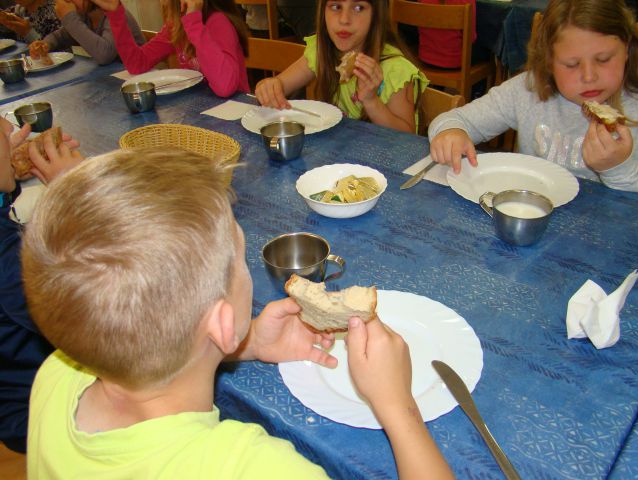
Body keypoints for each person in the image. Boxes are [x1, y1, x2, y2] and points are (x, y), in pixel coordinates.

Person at [22, 147, 454, 479]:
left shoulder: (55, 377)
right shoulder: (255, 468)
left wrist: (245, 343)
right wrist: (398, 407)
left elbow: (147, 348)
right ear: (222, 324)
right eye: (241, 261)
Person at [428, 0, 638, 192]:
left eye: (603, 59)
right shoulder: (527, 91)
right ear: (548, 60)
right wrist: (451, 133)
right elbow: (454, 120)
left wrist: (618, 168)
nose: (589, 76)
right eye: (571, 64)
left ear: (627, 50)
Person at [0, 118, 82, 454]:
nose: (9, 127)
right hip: (45, 408)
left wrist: (7, 181)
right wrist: (77, 193)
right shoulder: (10, 262)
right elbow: (101, 302)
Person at [254, 0, 428, 133]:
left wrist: (371, 101)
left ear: (376, 15)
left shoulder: (395, 69)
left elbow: (406, 138)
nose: (345, 19)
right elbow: (279, 84)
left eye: (358, 8)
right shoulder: (321, 51)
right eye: (336, 6)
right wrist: (269, 86)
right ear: (323, 11)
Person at [90, 0, 249, 97]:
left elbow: (225, 88)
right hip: (197, 109)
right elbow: (137, 64)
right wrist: (115, 13)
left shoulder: (219, 22)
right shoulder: (178, 24)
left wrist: (194, 23)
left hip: (232, 112)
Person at [28, 0, 144, 66]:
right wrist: (45, 44)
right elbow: (61, 36)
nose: (68, 2)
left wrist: (69, 19)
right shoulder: (85, 16)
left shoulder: (114, 15)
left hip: (138, 77)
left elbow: (104, 55)